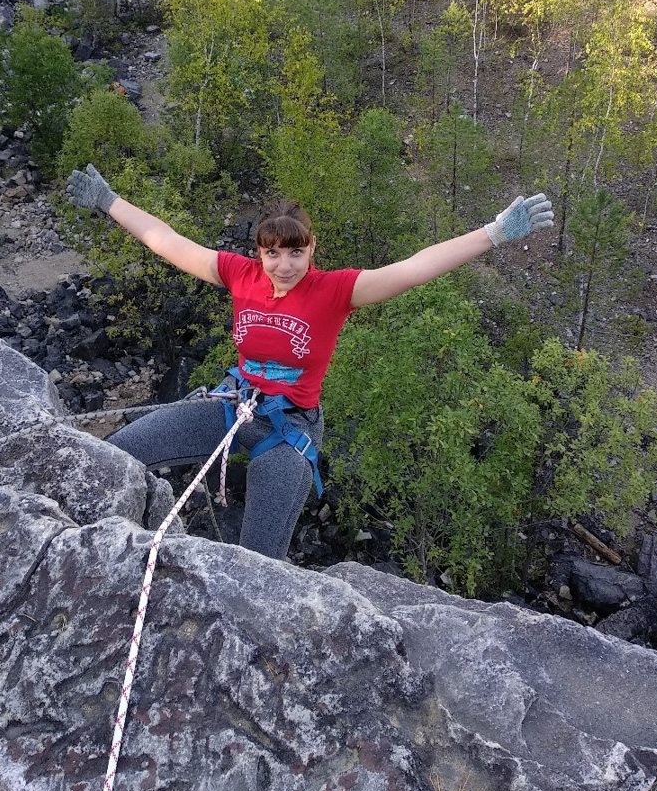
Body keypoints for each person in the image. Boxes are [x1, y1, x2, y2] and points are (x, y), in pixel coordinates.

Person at [66, 164, 554, 560]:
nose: (284, 264)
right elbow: (167, 241)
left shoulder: (334, 291)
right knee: (115, 453)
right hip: (233, 404)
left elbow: (413, 269)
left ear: (311, 249)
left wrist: (491, 233)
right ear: (258, 253)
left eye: (295, 252)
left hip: (290, 430)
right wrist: (111, 202)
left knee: (258, 562)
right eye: (273, 252)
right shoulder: (240, 276)